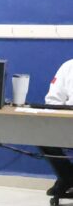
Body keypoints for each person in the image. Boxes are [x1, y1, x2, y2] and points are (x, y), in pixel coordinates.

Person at [38, 59, 73, 197]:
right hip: (69, 123)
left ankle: (67, 178)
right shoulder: (68, 66)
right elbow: (53, 100)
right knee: (39, 134)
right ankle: (67, 176)